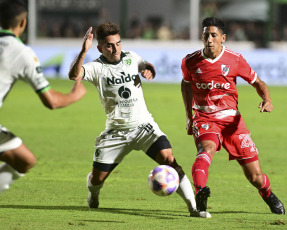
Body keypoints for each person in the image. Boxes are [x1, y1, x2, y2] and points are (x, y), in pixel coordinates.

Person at [68, 22, 211, 218]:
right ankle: (93, 194)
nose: (115, 49)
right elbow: (73, 75)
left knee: (169, 160)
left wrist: (149, 70)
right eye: (109, 45)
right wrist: (84, 51)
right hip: (116, 131)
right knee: (96, 179)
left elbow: (147, 66)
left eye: (118, 43)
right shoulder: (96, 68)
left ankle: (194, 208)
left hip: (144, 126)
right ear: (100, 47)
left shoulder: (131, 57)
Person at [181, 17, 285, 215]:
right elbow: (186, 84)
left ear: (223, 37)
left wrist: (267, 99)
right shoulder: (190, 61)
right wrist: (189, 116)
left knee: (255, 177)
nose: (209, 39)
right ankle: (200, 194)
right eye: (205, 35)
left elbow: (258, 83)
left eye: (213, 35)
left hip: (232, 121)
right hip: (205, 117)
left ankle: (268, 193)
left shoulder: (234, 59)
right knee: (206, 149)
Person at [0, 0, 86, 194]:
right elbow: (52, 101)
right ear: (23, 23)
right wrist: (74, 95)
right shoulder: (21, 52)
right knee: (25, 161)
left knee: (24, 159)